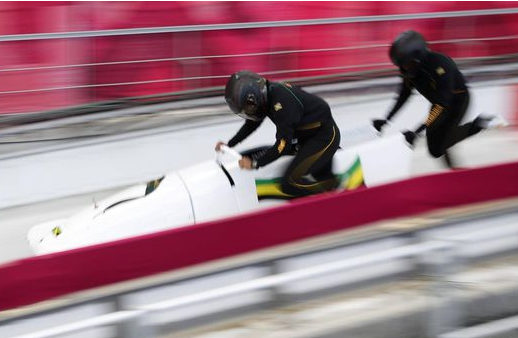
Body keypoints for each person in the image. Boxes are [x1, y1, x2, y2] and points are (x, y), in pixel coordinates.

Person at [372, 30, 507, 168]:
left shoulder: (441, 64)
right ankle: (455, 171)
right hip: (439, 103)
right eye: (401, 65)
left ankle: (479, 123)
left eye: (406, 64)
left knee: (442, 142)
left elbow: (442, 106)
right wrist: (386, 119)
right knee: (435, 150)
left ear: (417, 57)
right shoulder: (409, 71)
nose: (403, 69)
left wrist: (417, 131)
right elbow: (403, 96)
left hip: (456, 102)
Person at [216, 70, 341, 198]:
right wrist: (229, 144)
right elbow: (251, 125)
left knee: (289, 183)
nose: (249, 111)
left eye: (249, 107)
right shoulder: (269, 93)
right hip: (305, 136)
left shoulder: (282, 105)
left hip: (323, 138)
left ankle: (332, 194)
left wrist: (255, 164)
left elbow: (282, 146)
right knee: (278, 161)